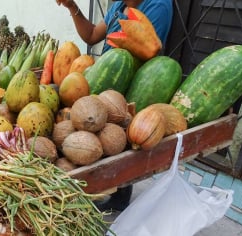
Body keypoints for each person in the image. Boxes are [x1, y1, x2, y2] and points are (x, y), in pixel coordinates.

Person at [55, 0, 173, 211]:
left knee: (117, 140)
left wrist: (119, 52)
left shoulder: (158, 6)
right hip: (108, 80)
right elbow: (91, 35)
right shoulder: (118, 6)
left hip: (131, 85)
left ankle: (119, 195)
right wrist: (72, 7)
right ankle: (89, 186)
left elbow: (150, 52)